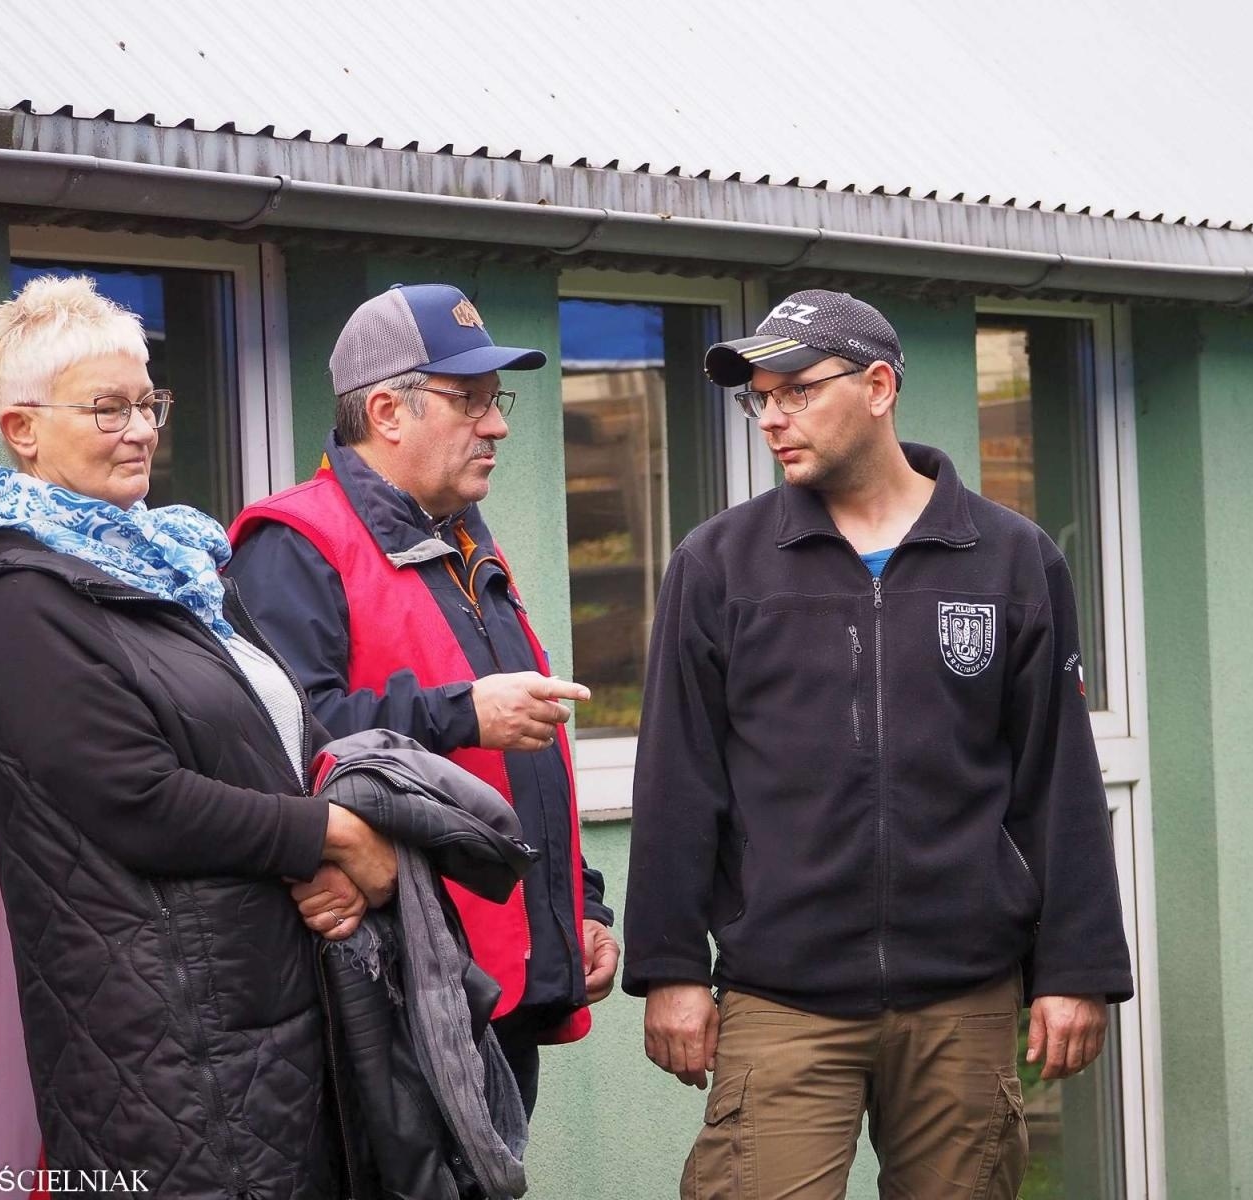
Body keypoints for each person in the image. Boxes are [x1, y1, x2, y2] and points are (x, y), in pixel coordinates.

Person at [622, 289, 1134, 1200]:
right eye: (758, 400)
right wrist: (669, 969)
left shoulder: (1011, 560)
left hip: (965, 998)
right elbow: (676, 777)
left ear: (880, 385)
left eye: (795, 391)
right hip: (782, 997)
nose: (771, 419)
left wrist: (1078, 968)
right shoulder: (719, 563)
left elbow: (1056, 773)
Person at [0, 274, 399, 1196]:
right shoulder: (20, 602)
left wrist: (334, 860)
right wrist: (332, 837)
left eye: (148, 402)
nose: (142, 429)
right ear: (21, 430)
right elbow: (136, 801)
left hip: (262, 1010)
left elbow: (280, 737)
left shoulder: (173, 568)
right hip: (166, 1045)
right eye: (108, 409)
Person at [226, 283, 619, 1117]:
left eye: (495, 399)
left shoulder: (466, 542)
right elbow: (283, 740)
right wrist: (459, 713)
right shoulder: (293, 544)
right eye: (469, 400)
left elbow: (528, 764)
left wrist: (579, 904)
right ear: (386, 411)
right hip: (401, 989)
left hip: (496, 984)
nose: (498, 425)